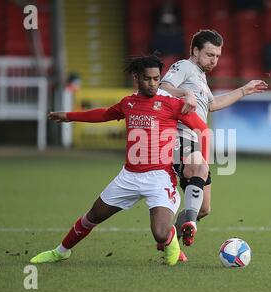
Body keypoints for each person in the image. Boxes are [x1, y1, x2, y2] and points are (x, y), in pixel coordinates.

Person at [30, 54, 209, 266]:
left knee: (160, 234)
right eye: (147, 79)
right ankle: (61, 251)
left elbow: (202, 129)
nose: (152, 84)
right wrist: (69, 116)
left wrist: (202, 162)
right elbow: (104, 114)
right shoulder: (128, 103)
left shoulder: (172, 104)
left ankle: (170, 241)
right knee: (92, 216)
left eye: (156, 78)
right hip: (129, 176)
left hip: (160, 178)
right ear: (136, 78)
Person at [159, 29, 268, 255]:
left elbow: (211, 104)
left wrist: (243, 90)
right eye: (210, 55)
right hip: (178, 136)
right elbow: (163, 87)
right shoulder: (184, 67)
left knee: (204, 208)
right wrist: (184, 94)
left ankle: (170, 238)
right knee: (199, 168)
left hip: (196, 141)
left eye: (218, 56)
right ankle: (190, 224)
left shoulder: (200, 75)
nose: (214, 60)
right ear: (195, 50)